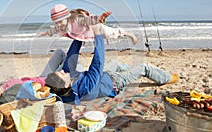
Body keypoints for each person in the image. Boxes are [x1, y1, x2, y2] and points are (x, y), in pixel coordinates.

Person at [44, 24, 179, 104]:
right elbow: (98, 62)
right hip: (115, 83)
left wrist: (80, 37)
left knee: (115, 63)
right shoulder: (84, 87)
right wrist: (97, 34)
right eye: (61, 74)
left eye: (60, 71)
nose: (62, 71)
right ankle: (166, 78)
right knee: (144, 67)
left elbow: (71, 56)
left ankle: (133, 73)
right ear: (66, 85)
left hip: (105, 76)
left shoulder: (68, 78)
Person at [38, 4, 138, 45]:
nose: (58, 24)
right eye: (56, 22)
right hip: (87, 32)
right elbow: (54, 30)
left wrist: (100, 18)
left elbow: (89, 20)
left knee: (110, 34)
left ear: (67, 17)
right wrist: (45, 33)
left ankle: (129, 34)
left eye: (60, 21)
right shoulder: (62, 26)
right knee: (99, 39)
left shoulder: (78, 20)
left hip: (96, 26)